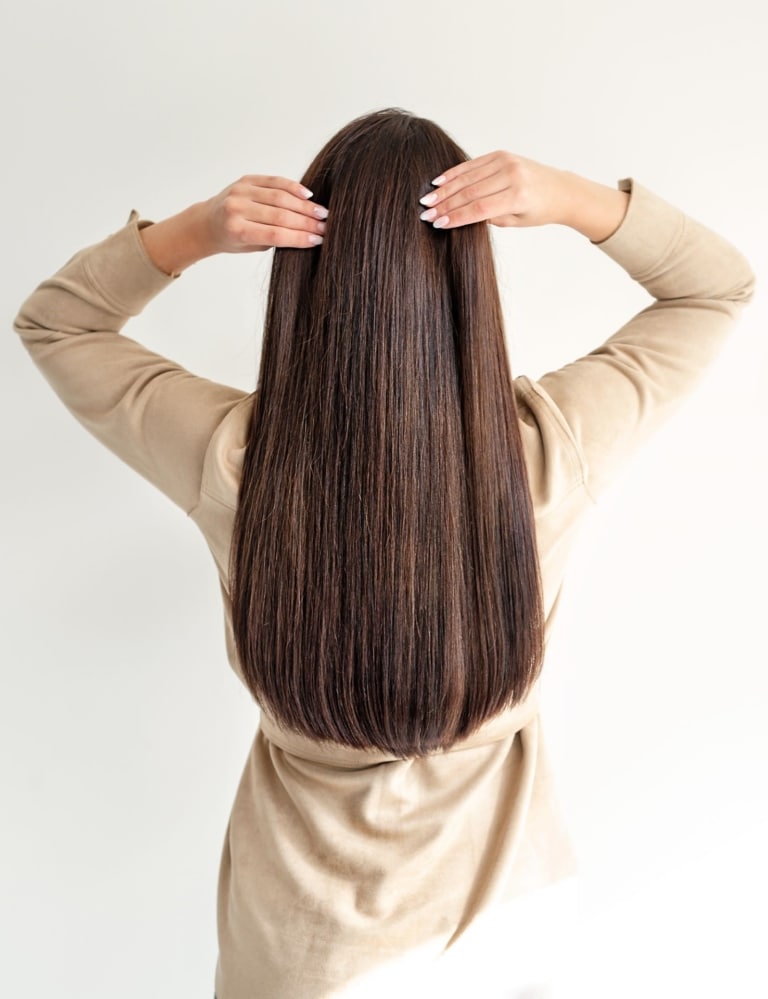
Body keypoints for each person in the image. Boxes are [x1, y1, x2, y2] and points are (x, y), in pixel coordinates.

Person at [13, 108, 755, 999]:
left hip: (298, 958)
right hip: (505, 945)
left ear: (305, 276)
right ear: (468, 275)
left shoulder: (234, 458)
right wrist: (571, 199)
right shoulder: (548, 450)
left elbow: (57, 324)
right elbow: (716, 288)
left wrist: (198, 231)